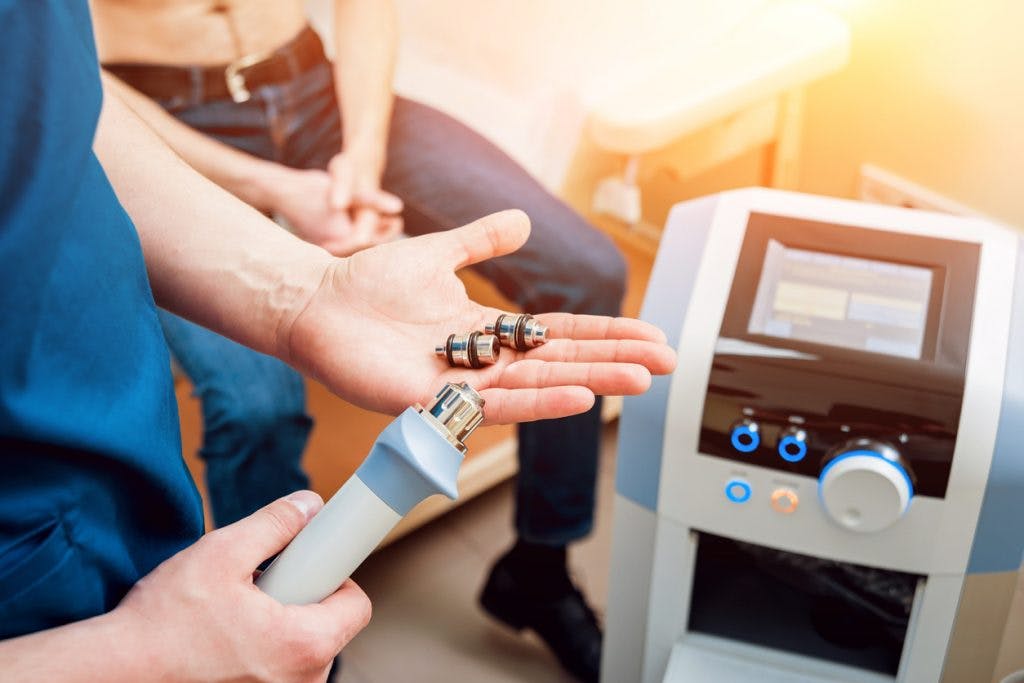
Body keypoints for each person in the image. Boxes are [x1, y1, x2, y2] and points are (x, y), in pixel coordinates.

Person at [0, 2, 675, 680]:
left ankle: (540, 564)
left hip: (315, 89)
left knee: (586, 270)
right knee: (256, 400)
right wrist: (274, 190)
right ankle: (284, 632)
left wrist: (363, 157)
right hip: (164, 117)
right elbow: (64, 84)